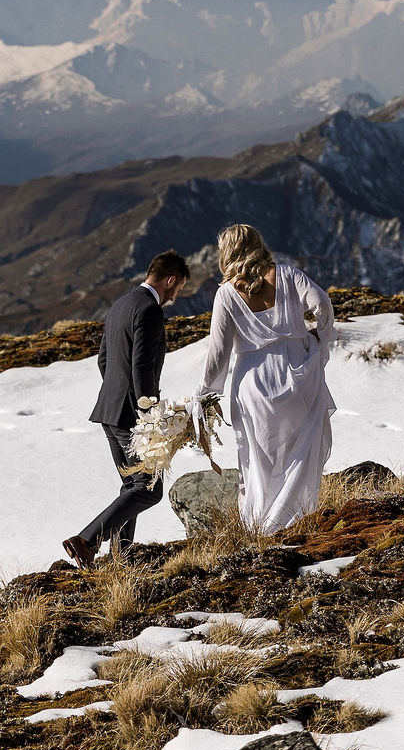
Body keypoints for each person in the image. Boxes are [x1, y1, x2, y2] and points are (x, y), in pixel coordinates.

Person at [198, 223, 336, 533]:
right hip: (299, 371)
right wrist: (320, 340)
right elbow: (321, 303)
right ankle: (295, 518)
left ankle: (262, 526)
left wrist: (204, 394)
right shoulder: (287, 275)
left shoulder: (226, 294)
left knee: (257, 459)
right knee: (300, 449)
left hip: (253, 381)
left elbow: (218, 352)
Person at [64, 250, 190, 568]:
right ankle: (87, 540)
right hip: (131, 417)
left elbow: (103, 360)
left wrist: (117, 395)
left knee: (131, 486)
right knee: (149, 489)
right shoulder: (149, 309)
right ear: (171, 280)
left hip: (109, 410)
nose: (177, 295)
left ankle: (122, 558)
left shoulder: (121, 304)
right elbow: (141, 370)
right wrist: (148, 418)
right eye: (179, 288)